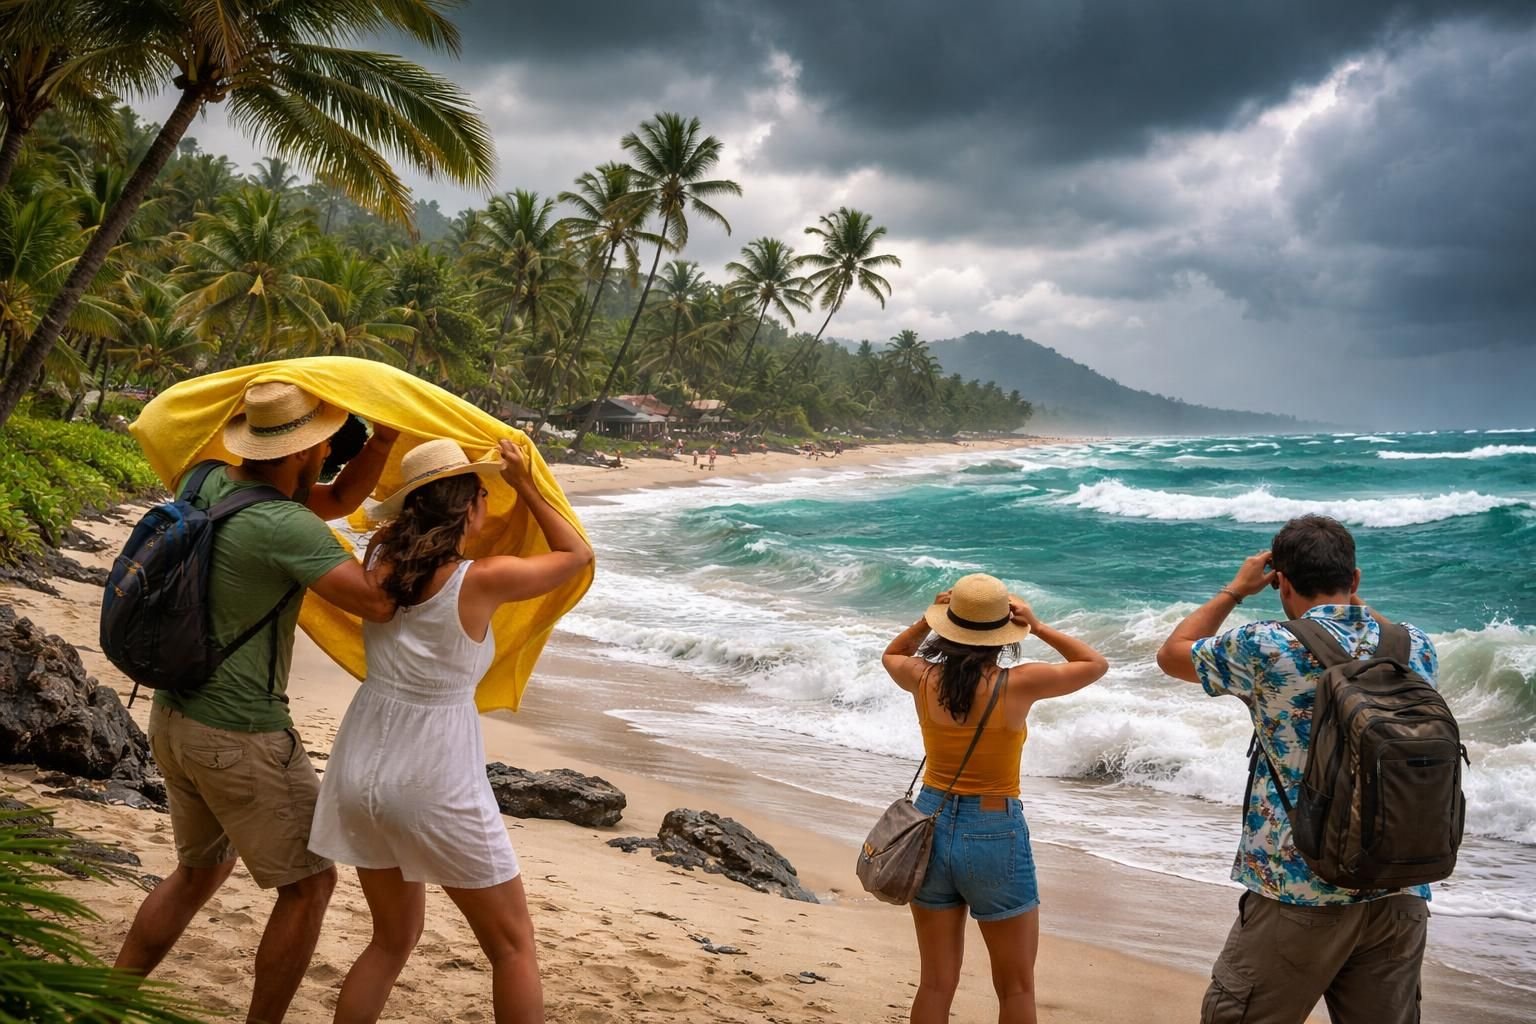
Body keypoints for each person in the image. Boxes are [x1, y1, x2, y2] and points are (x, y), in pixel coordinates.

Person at [114, 381, 398, 1024]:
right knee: (309, 885)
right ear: (309, 447)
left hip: (173, 717)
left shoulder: (205, 479)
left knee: (197, 873)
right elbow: (376, 602)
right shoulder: (285, 527)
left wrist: (379, 444)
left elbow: (337, 498)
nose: (331, 448)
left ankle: (105, 1006)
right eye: (328, 438)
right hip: (240, 736)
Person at [309, 438, 593, 1024]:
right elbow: (576, 554)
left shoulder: (379, 570)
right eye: (483, 494)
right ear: (469, 506)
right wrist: (531, 485)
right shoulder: (480, 581)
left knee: (390, 940)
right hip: (433, 775)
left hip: (359, 767)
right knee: (512, 945)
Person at [1155, 515, 1437, 1024]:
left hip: (1297, 885)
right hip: (1401, 885)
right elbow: (1371, 629)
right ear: (1355, 579)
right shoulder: (1414, 644)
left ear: (1280, 581)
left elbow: (1172, 655)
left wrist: (1234, 592)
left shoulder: (1265, 645)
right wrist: (1353, 602)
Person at [881, 573, 1108, 1024]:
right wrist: (1039, 626)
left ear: (950, 626)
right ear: (1004, 632)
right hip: (993, 831)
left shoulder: (922, 678)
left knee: (935, 983)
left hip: (928, 820)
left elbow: (893, 653)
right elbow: (1093, 663)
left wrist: (927, 620)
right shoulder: (1018, 683)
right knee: (1015, 987)